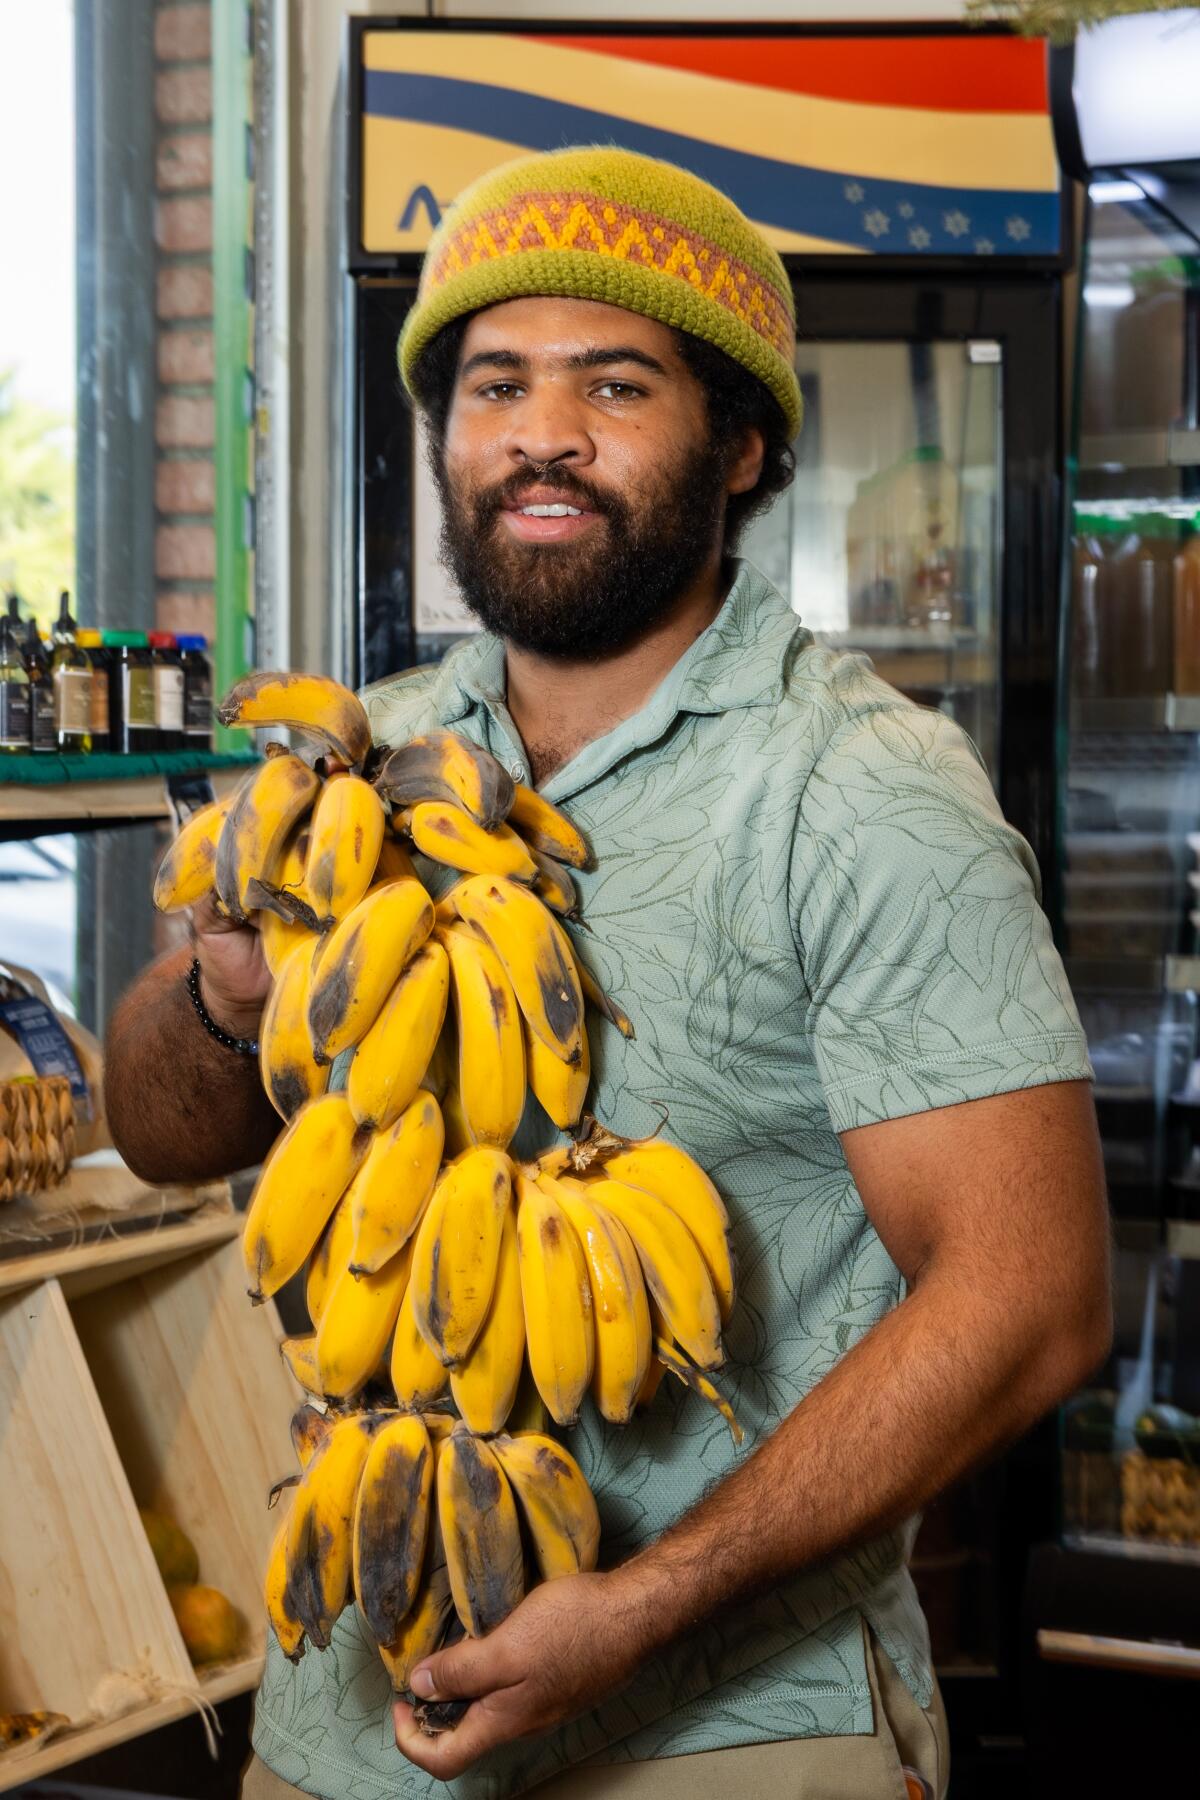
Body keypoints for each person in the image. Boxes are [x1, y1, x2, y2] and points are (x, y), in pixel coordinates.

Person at [105, 147, 1110, 1800]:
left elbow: (1033, 1300)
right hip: (342, 1726)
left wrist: (646, 1604)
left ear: (746, 444)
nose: (540, 433)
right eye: (493, 383)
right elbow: (161, 1134)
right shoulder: (369, 763)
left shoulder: (860, 790)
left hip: (726, 1727)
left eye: (614, 383)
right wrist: (224, 988)